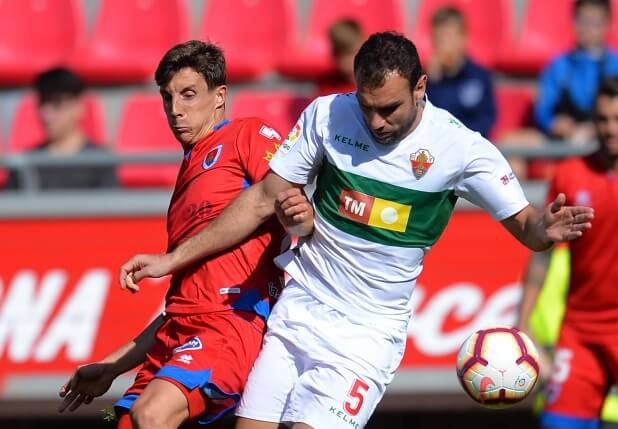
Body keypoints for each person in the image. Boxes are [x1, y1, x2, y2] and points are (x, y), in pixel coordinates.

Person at [120, 33, 594, 429]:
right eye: (367, 107)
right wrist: (171, 260)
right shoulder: (328, 115)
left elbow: (527, 226)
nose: (375, 122)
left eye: (388, 109)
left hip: (365, 335)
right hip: (298, 311)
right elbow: (262, 198)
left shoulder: (460, 149)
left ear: (420, 88)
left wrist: (545, 230)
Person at [57, 40, 312, 429]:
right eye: (167, 97)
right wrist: (111, 366)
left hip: (230, 324)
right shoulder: (185, 187)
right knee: (126, 421)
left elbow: (285, 204)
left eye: (189, 94)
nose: (176, 110)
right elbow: (182, 305)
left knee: (152, 414)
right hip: (178, 333)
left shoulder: (248, 134)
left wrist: (299, 219)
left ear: (219, 96)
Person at [517, 76, 618, 429]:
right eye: (603, 119)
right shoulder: (569, 175)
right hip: (582, 331)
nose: (610, 128)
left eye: (617, 119)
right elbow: (543, 253)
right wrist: (522, 324)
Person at [6, 67, 117, 190]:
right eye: (42, 103)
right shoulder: (25, 164)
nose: (46, 114)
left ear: (79, 106)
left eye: (56, 104)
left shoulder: (100, 162)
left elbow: (108, 207)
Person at [535, 0, 618, 144]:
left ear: (607, 25)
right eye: (583, 21)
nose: (588, 28)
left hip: (606, 141)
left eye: (595, 22)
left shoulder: (614, 64)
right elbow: (543, 110)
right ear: (573, 22)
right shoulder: (559, 65)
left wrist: (599, 126)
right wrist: (554, 123)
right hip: (566, 142)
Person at [425, 6, 496, 138]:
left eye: (449, 38)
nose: (444, 45)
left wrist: (456, 135)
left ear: (463, 38)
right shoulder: (426, 80)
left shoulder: (479, 77)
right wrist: (432, 83)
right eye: (439, 39)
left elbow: (487, 121)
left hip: (471, 147)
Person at [315, 19, 364, 97]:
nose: (347, 64)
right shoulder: (327, 85)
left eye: (353, 54)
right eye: (341, 56)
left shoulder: (378, 82)